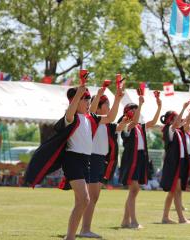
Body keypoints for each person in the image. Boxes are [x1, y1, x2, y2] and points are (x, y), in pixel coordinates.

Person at [25, 84, 121, 240]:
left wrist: (117, 98)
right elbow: (70, 112)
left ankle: (70, 237)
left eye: (90, 100)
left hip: (85, 161)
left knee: (81, 201)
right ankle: (70, 237)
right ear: (76, 101)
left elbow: (110, 118)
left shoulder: (91, 118)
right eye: (86, 100)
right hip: (73, 160)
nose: (89, 103)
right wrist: (78, 94)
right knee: (85, 199)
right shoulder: (72, 117)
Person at [78, 90, 129, 238]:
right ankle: (84, 229)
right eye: (106, 103)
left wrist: (124, 121)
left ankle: (85, 228)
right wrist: (100, 94)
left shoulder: (106, 124)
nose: (108, 105)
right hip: (92, 159)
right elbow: (92, 110)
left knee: (93, 198)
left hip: (101, 160)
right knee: (89, 198)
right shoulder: (92, 118)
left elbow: (117, 126)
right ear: (99, 107)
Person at [119, 95, 162, 229]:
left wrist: (159, 106)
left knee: (134, 191)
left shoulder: (139, 126)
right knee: (135, 189)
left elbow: (154, 122)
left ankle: (125, 221)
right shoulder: (126, 124)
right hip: (131, 160)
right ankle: (133, 221)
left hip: (140, 159)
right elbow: (134, 121)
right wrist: (140, 104)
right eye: (134, 110)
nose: (137, 112)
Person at [159, 100, 190, 224]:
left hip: (179, 164)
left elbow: (186, 121)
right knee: (176, 191)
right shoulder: (169, 129)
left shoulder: (177, 131)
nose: (179, 120)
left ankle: (165, 217)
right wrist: (183, 107)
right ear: (171, 120)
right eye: (176, 118)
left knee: (174, 192)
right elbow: (177, 123)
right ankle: (181, 218)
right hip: (173, 165)